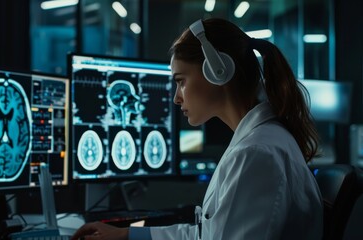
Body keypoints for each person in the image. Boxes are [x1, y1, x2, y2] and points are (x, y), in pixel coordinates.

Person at [71, 18, 323, 240]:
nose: (176, 98)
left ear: (217, 72)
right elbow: (209, 234)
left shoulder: (256, 152)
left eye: (181, 81)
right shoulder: (258, 141)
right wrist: (128, 234)